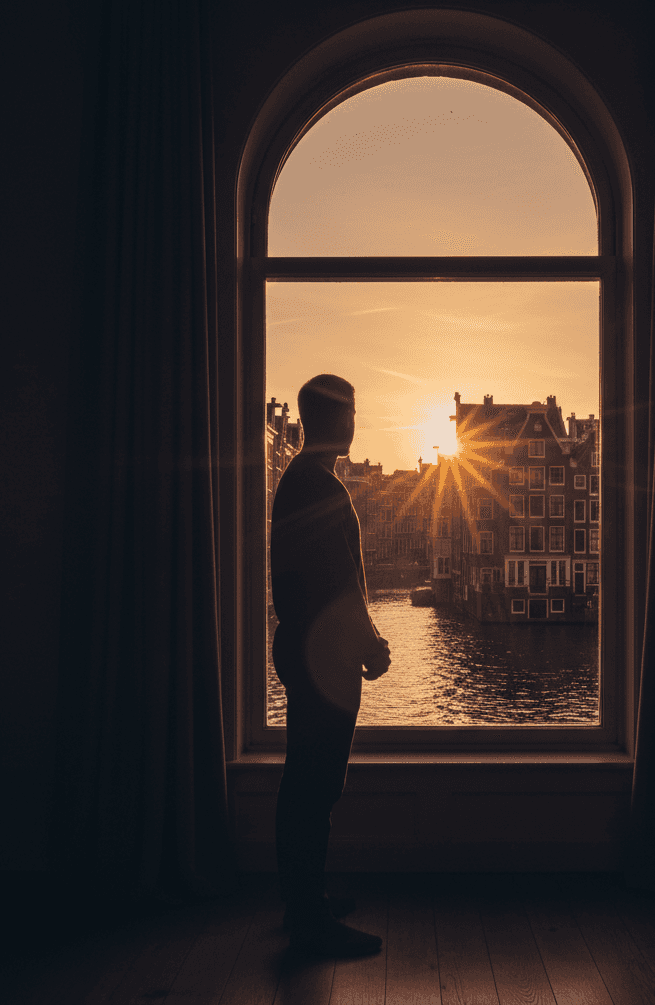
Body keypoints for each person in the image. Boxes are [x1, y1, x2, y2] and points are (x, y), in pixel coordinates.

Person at [270, 374, 391, 957]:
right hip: (325, 655)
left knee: (306, 781)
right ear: (334, 419)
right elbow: (341, 582)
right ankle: (308, 920)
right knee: (315, 785)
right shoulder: (319, 486)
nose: (354, 423)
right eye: (351, 413)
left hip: (306, 648)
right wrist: (371, 645)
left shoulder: (301, 481)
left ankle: (303, 899)